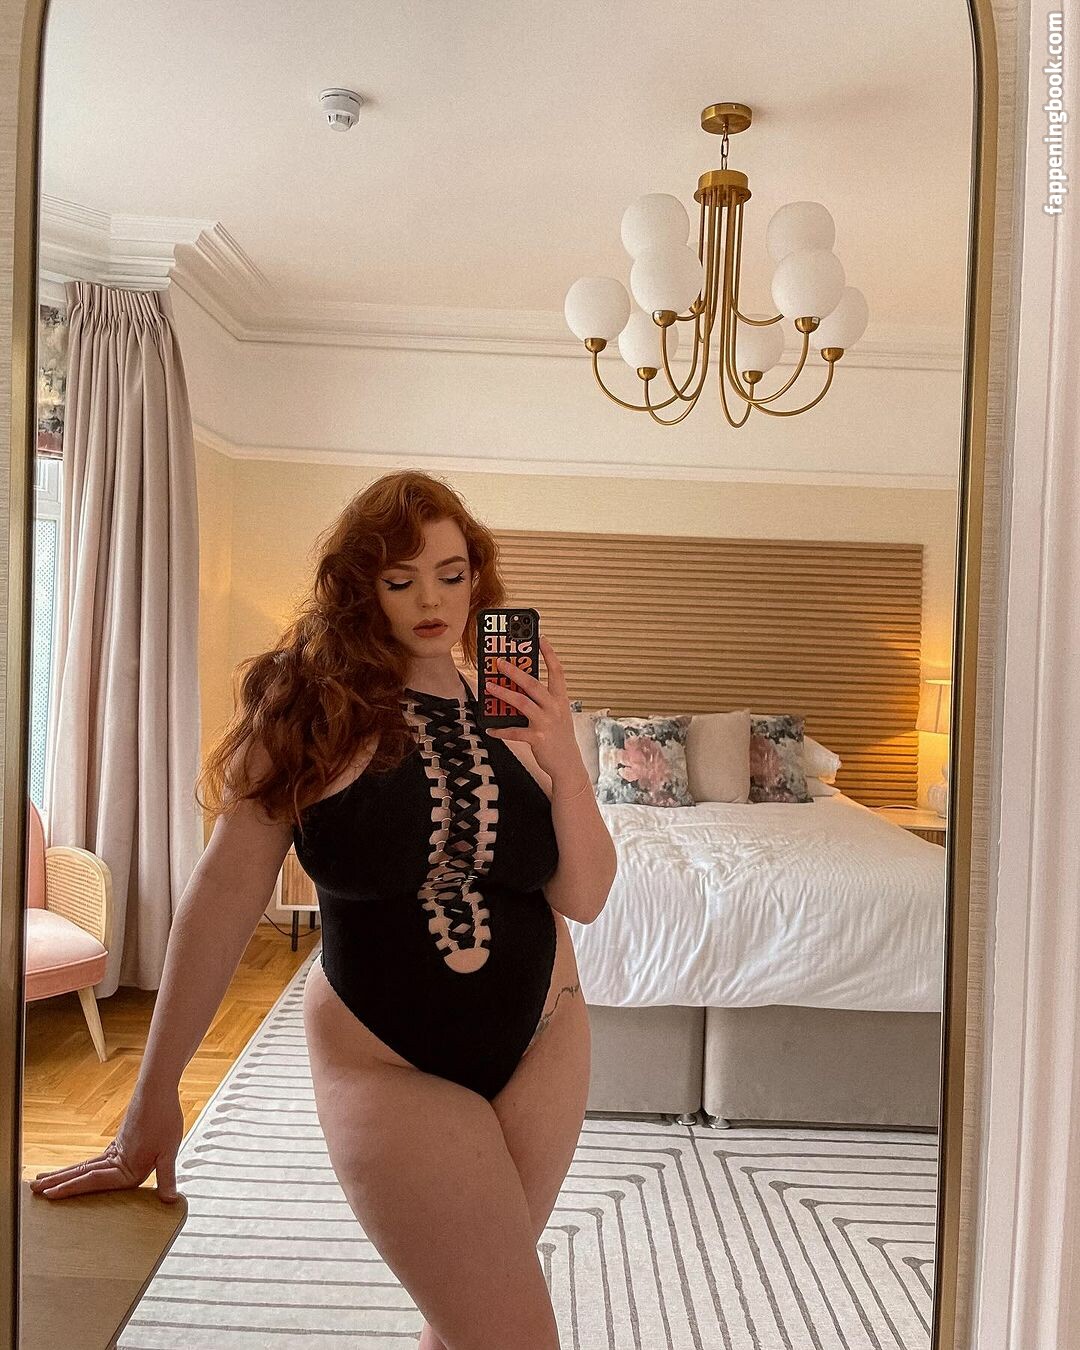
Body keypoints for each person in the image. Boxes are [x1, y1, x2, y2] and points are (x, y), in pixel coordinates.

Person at [29, 469, 618, 1350]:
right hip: (389, 1062)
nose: (432, 601)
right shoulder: (309, 712)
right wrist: (153, 1093)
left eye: (452, 574)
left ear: (478, 579)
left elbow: (587, 895)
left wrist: (563, 757)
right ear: (359, 587)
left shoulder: (512, 710)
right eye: (400, 579)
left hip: (548, 1040)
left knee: (470, 1319)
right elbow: (222, 899)